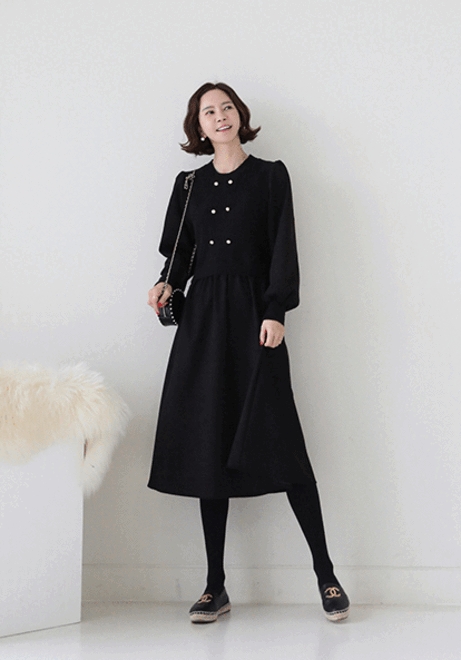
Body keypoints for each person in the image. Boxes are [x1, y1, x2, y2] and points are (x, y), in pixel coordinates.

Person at [147, 82, 350, 624]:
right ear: (197, 126)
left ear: (240, 115)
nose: (219, 117)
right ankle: (214, 585)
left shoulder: (271, 176)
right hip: (203, 325)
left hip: (255, 319)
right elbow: (180, 256)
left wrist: (276, 310)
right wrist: (165, 286)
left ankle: (326, 574)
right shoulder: (188, 184)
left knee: (284, 441)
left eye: (226, 108)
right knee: (208, 444)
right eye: (208, 112)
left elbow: (284, 245)